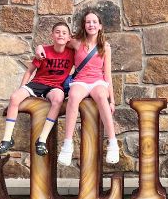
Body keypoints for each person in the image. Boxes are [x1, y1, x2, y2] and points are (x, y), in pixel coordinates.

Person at [37, 10, 119, 166]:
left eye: (94, 22)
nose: (91, 25)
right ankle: (67, 145)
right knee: (73, 97)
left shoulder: (105, 47)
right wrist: (39, 47)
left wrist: (112, 101)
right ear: (84, 25)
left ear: (100, 26)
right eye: (88, 22)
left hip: (97, 81)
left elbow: (107, 74)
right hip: (80, 80)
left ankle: (112, 143)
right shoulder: (76, 42)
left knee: (102, 97)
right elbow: (58, 41)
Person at [0, 21, 73, 157]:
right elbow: (29, 71)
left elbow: (83, 43)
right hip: (38, 83)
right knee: (15, 97)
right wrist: (22, 88)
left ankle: (42, 139)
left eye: (64, 33)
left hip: (55, 86)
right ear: (52, 36)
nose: (60, 35)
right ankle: (7, 139)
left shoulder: (72, 53)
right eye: (57, 32)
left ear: (69, 37)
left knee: (58, 99)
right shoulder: (44, 51)